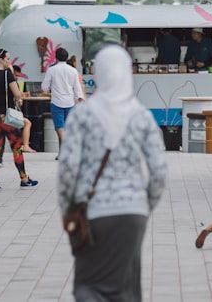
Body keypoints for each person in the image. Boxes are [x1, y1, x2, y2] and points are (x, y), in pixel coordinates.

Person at [57, 44, 167, 301]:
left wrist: (68, 208)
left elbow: (68, 169)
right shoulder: (141, 116)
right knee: (127, 289)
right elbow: (159, 170)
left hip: (93, 211)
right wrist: (144, 203)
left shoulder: (82, 115)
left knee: (90, 286)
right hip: (133, 214)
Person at [0, 48, 37, 189]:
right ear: (1, 59)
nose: (9, 61)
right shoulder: (7, 74)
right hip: (6, 118)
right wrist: (19, 99)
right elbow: (17, 94)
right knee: (17, 148)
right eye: (7, 59)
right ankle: (24, 179)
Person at [42, 47, 86, 156]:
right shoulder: (73, 70)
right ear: (67, 58)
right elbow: (77, 87)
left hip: (56, 102)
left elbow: (44, 87)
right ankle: (62, 152)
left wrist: (48, 89)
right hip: (70, 102)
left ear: (55, 57)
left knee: (59, 127)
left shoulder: (52, 70)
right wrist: (80, 97)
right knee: (67, 128)